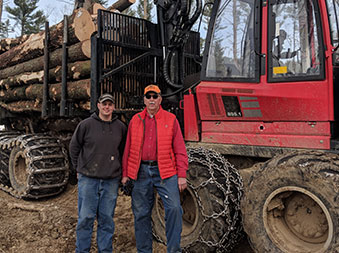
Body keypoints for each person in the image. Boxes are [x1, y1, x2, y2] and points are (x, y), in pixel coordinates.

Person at [122, 84, 188, 253]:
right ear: (144, 100)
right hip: (141, 172)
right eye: (148, 96)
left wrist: (181, 175)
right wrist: (125, 174)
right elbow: (128, 149)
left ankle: (174, 250)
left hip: (165, 172)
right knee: (141, 213)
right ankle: (144, 251)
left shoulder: (170, 119)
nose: (151, 99)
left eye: (155, 96)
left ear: (160, 99)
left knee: (173, 209)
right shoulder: (135, 120)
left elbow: (180, 149)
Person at [69, 93, 127, 253]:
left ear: (113, 107)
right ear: (98, 105)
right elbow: (74, 147)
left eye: (110, 104)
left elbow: (123, 152)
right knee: (85, 218)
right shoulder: (86, 125)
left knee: (107, 219)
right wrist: (78, 169)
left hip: (110, 181)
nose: (107, 107)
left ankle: (105, 250)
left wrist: (122, 173)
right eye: (104, 104)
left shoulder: (120, 127)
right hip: (88, 179)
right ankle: (82, 250)